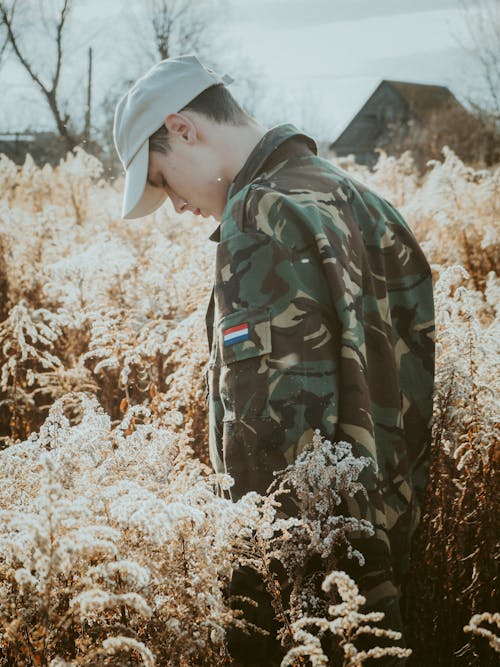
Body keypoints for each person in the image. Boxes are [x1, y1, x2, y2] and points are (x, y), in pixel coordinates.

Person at [113, 54, 435, 666]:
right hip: (385, 555)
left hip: (307, 594)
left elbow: (271, 442)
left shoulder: (258, 219)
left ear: (183, 128)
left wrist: (252, 606)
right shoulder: (365, 203)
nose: (175, 206)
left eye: (161, 179)